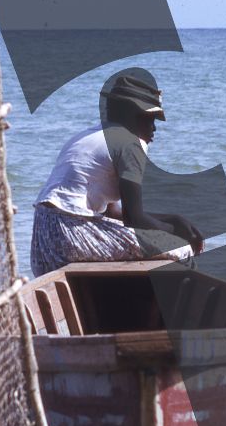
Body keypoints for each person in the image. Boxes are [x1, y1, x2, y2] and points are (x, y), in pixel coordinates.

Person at [30, 68, 204, 277]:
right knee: (181, 249)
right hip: (71, 235)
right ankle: (172, 308)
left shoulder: (87, 136)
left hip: (43, 242)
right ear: (131, 117)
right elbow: (135, 219)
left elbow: (112, 213)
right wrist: (177, 232)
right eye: (150, 120)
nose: (154, 129)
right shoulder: (130, 144)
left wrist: (173, 220)